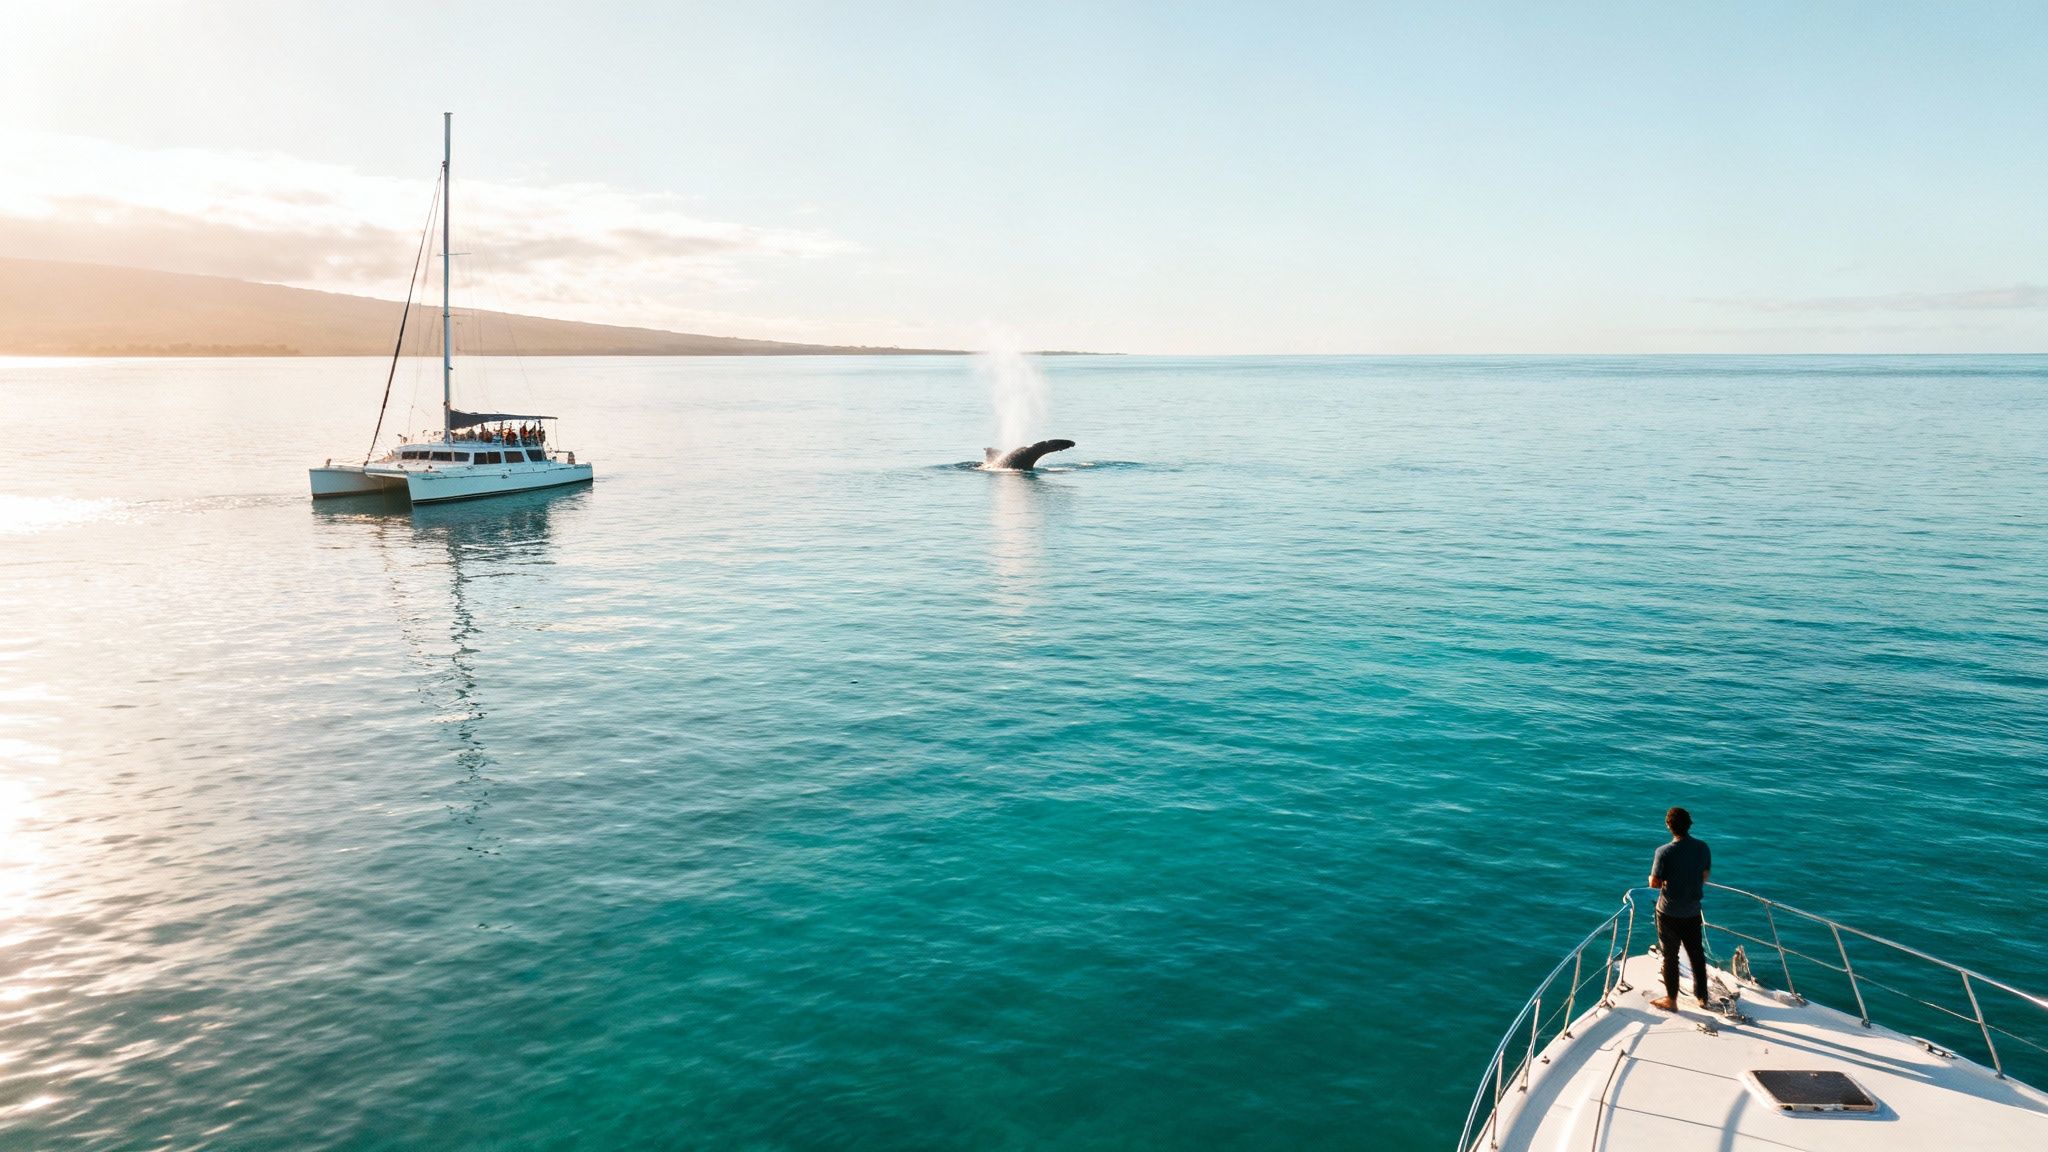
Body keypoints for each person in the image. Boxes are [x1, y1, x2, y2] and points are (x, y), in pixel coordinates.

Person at [1648, 806, 1711, 1011]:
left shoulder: (1663, 852)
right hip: (1693, 911)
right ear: (1689, 825)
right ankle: (1702, 997)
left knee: (1670, 956)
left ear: (1669, 826)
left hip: (1668, 913)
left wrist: (1658, 879)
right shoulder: (1703, 848)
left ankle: (1671, 1000)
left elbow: (1655, 883)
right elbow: (1704, 876)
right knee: (1696, 954)